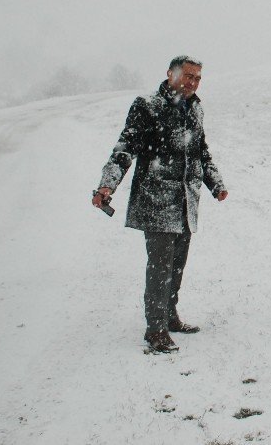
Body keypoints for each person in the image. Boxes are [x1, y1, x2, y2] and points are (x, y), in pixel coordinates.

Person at [92, 55, 228, 353]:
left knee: (177, 263)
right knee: (160, 266)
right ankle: (155, 329)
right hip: (156, 199)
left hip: (185, 200)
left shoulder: (196, 109)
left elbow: (201, 151)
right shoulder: (148, 106)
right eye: (188, 76)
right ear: (170, 73)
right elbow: (125, 147)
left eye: (197, 78)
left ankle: (169, 315)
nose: (192, 82)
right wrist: (107, 183)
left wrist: (215, 182)